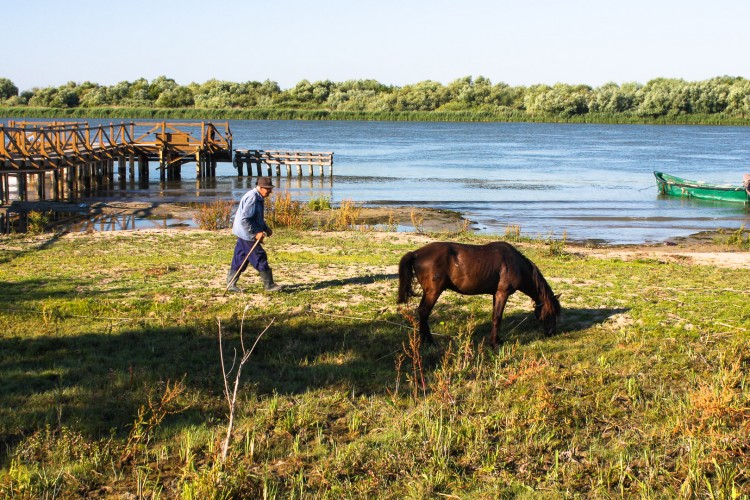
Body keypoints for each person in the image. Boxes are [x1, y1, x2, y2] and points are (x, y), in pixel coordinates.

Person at [226, 177, 283, 292]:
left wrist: (265, 228)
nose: (270, 191)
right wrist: (255, 233)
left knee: (240, 258)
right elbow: (244, 219)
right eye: (268, 189)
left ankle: (231, 284)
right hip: (246, 234)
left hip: (243, 233)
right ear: (261, 188)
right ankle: (269, 285)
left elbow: (256, 218)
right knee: (260, 256)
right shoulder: (252, 198)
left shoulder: (258, 196)